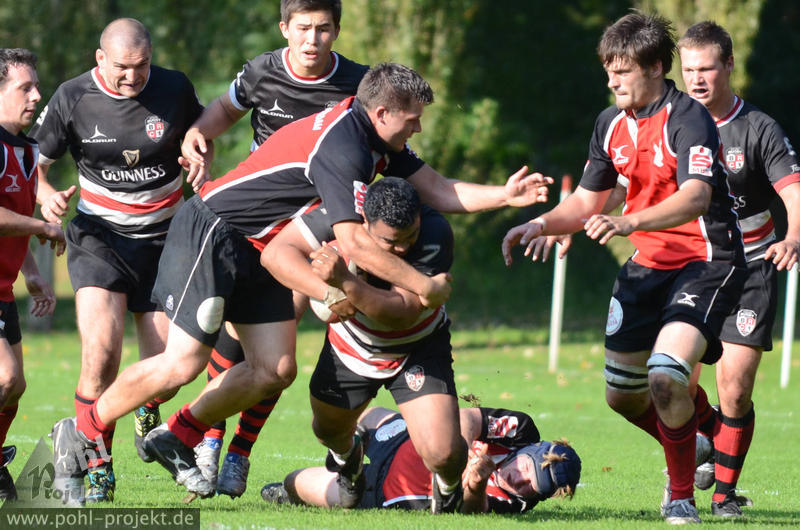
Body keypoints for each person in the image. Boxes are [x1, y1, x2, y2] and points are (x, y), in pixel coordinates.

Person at [50, 62, 551, 502]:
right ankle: (83, 429)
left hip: (260, 244)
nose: (417, 127)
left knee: (276, 369)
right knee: (183, 363)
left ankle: (178, 434)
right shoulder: (344, 145)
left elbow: (438, 189)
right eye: (413, 118)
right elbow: (354, 242)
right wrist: (423, 286)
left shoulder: (378, 140)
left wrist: (504, 196)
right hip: (216, 230)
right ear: (382, 113)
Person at [502, 13, 745, 525]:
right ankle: (703, 429)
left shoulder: (689, 119)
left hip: (704, 261)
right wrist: (541, 223)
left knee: (665, 375)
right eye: (608, 72)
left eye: (622, 71)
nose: (612, 82)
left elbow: (696, 197)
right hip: (646, 266)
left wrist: (628, 220)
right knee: (621, 395)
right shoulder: (610, 123)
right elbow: (587, 200)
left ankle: (681, 497)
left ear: (655, 67)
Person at [180, 0, 369, 497]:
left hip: (310, 230)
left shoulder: (358, 83)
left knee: (281, 335)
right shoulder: (263, 71)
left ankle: (239, 451)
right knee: (232, 331)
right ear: (285, 28)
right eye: (303, 28)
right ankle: (210, 439)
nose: (312, 40)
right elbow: (225, 109)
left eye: (323, 29)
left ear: (337, 30)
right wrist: (198, 132)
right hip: (252, 219)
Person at [31, 18, 204, 503]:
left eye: (142, 65)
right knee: (101, 354)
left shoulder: (174, 88)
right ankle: (97, 467)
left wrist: (200, 156)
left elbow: (201, 134)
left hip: (165, 242)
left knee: (171, 369)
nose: (132, 77)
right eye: (122, 67)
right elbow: (36, 168)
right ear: (100, 59)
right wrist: (45, 196)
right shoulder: (73, 97)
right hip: (99, 239)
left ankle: (147, 409)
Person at [263, 177, 467, 511]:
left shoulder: (434, 231)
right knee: (328, 430)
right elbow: (275, 253)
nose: (403, 248)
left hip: (416, 346)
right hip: (351, 347)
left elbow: (401, 313)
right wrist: (325, 292)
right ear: (364, 224)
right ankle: (350, 462)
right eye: (390, 241)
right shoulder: (339, 216)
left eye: (410, 236)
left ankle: (448, 489)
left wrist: (344, 282)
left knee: (442, 453)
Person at [676, 21, 800, 518]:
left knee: (735, 388)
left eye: (707, 68)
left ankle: (724, 495)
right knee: (674, 380)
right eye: (688, 69)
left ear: (729, 65)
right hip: (696, 266)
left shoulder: (759, 128)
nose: (697, 79)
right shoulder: (673, 121)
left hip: (752, 267)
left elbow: (793, 192)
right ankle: (707, 435)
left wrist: (793, 237)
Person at [260, 405, 581, 514]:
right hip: (408, 439)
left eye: (528, 486)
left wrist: (476, 482)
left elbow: (472, 511)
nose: (517, 480)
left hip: (389, 490)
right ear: (527, 451)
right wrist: (458, 455)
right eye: (524, 469)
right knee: (363, 415)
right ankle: (348, 454)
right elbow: (466, 417)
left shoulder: (520, 504)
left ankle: (294, 493)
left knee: (295, 481)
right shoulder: (521, 431)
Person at [0, 47, 65, 500]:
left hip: (4, 288)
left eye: (37, 87)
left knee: (16, 386)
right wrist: (42, 227)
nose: (37, 95)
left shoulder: (26, 150)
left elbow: (13, 216)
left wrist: (32, 271)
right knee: (4, 377)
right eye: (25, 88)